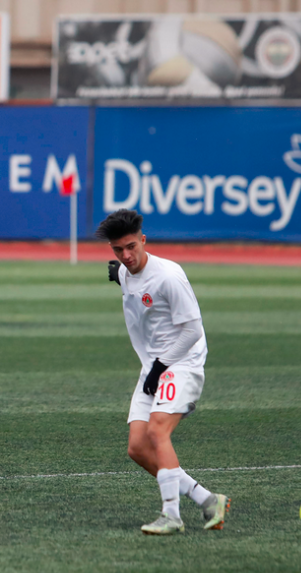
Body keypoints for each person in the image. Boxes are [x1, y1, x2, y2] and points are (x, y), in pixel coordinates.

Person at [97, 209, 229, 535]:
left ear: (144, 240)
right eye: (118, 250)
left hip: (181, 362)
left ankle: (172, 515)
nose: (126, 256)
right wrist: (119, 274)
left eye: (131, 247)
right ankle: (208, 500)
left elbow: (193, 330)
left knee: (158, 431)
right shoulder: (126, 271)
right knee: (138, 448)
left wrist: (161, 366)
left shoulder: (169, 275)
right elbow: (135, 287)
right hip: (154, 366)